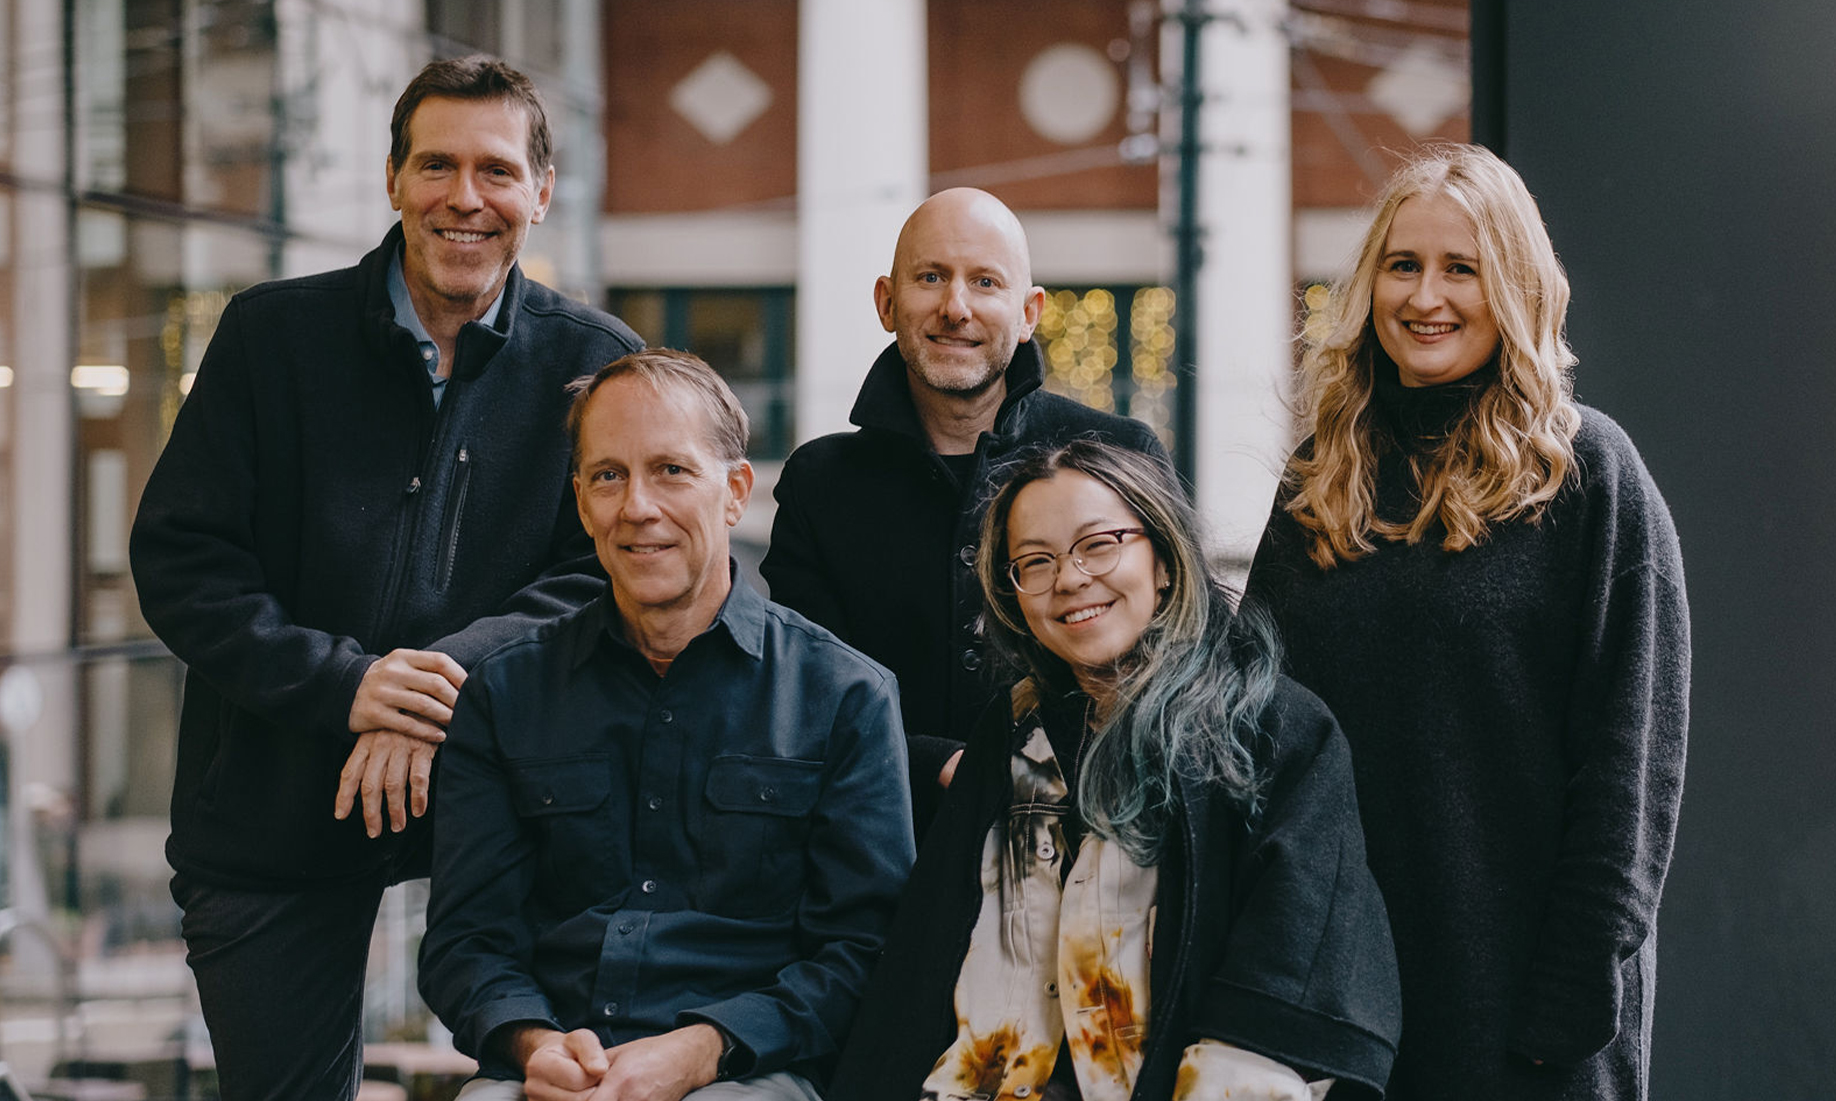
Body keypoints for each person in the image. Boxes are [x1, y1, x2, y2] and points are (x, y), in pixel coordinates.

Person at [128, 56, 641, 1101]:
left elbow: (606, 573)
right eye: (437, 165)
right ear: (395, 179)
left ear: (540, 193)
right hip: (271, 810)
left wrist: (431, 683)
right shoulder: (272, 336)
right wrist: (346, 686)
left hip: (506, 807)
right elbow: (184, 558)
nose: (466, 198)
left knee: (574, 1086)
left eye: (496, 171)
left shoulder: (597, 365)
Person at [1242, 143, 1689, 1101]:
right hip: (1348, 1009)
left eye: (1462, 268)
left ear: (1515, 286)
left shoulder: (1587, 475)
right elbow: (1261, 738)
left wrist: (1567, 1002)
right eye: (1402, 266)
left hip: (1530, 1019)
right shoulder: (1321, 481)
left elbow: (1630, 771)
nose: (1424, 296)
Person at [832, 440, 1400, 1101]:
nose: (1069, 579)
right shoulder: (1012, 732)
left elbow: (1288, 977)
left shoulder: (1269, 728)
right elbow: (923, 962)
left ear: (1162, 559)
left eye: (1098, 544)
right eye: (1034, 562)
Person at [420, 351, 913, 1101]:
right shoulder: (505, 691)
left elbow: (862, 951)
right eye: (608, 476)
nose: (638, 506)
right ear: (581, 502)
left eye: (671, 471)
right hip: (550, 1071)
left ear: (734, 492)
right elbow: (467, 942)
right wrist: (534, 1044)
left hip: (746, 1073)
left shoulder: (844, 695)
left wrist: (703, 1050)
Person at [763, 188, 1168, 831]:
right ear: (886, 304)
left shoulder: (1120, 457)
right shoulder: (821, 484)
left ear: (1030, 311)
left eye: (985, 282)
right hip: (879, 851)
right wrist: (935, 764)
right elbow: (802, 693)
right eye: (931, 278)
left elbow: (1180, 659)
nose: (957, 308)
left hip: (1095, 834)